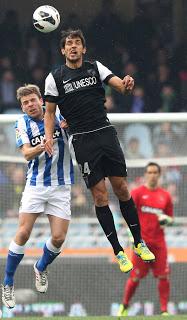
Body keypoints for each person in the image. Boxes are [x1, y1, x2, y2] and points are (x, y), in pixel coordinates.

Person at [44, 29, 155, 274]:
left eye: (77, 43)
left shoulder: (95, 67)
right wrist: (49, 136)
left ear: (83, 49)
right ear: (63, 50)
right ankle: (118, 251)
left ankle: (138, 242)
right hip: (82, 141)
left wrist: (126, 84)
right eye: (68, 44)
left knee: (122, 188)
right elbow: (50, 112)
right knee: (100, 196)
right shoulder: (55, 77)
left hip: (105, 132)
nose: (73, 47)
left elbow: (120, 87)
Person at [1, 84, 74, 309]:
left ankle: (40, 267)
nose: (30, 105)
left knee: (59, 238)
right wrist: (44, 145)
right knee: (23, 233)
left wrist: (70, 126)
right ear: (22, 107)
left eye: (32, 100)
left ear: (41, 100)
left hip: (61, 185)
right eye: (25, 103)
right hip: (35, 185)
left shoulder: (59, 114)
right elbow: (25, 153)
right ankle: (8, 283)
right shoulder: (21, 123)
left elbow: (75, 130)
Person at [118, 162, 173, 317]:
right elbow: (127, 214)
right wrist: (130, 234)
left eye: (155, 172)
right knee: (135, 277)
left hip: (159, 243)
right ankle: (124, 306)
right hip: (141, 244)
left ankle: (164, 310)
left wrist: (166, 220)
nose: (152, 174)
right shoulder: (137, 193)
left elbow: (170, 218)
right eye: (150, 172)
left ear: (159, 174)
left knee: (164, 276)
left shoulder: (165, 195)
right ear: (145, 174)